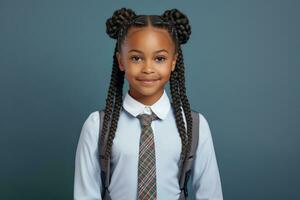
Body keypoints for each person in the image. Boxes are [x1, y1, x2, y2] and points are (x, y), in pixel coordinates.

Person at [74, 7, 223, 200]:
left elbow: (210, 194)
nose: (148, 69)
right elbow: (85, 195)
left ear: (173, 62)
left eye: (159, 58)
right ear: (121, 61)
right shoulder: (97, 125)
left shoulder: (194, 125)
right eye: (136, 58)